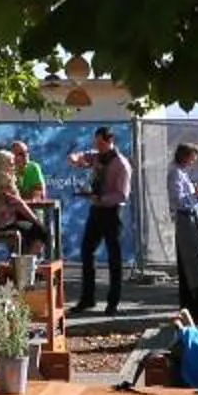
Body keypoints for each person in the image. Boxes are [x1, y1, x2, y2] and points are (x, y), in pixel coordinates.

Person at [68, 127, 131, 314]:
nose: (98, 146)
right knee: (87, 251)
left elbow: (122, 195)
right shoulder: (96, 156)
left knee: (114, 257)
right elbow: (82, 157)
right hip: (96, 211)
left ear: (110, 141)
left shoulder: (121, 164)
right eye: (96, 143)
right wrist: (75, 158)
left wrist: (101, 199)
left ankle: (113, 302)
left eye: (101, 143)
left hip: (113, 212)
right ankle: (87, 298)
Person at [168, 141, 198, 323]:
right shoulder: (175, 174)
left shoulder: (182, 174)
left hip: (192, 219)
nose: (194, 161)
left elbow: (190, 200)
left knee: (193, 264)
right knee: (196, 264)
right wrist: (197, 194)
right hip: (185, 221)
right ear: (186, 156)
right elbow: (179, 201)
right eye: (193, 157)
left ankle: (195, 308)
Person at [0, 148, 50, 253]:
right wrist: (36, 221)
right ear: (3, 165)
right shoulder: (6, 182)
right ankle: (27, 262)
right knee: (42, 231)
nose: (14, 167)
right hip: (3, 224)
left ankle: (22, 261)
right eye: (11, 164)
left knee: (28, 229)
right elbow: (19, 204)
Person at [8, 139, 58, 256]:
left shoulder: (34, 167)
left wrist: (23, 196)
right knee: (18, 236)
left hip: (32, 212)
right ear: (12, 157)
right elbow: (12, 198)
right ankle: (21, 265)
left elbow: (38, 194)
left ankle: (28, 264)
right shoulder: (8, 171)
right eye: (20, 154)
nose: (25, 156)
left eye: (26, 152)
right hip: (13, 215)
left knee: (42, 233)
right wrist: (25, 195)